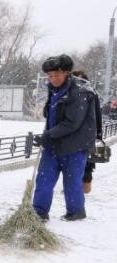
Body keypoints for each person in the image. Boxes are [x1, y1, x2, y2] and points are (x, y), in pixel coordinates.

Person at [32, 55, 98, 221]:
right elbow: (53, 114)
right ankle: (39, 212)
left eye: (56, 74)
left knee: (72, 182)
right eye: (49, 75)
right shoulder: (54, 89)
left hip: (74, 147)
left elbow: (72, 123)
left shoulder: (80, 91)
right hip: (54, 145)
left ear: (67, 72)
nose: (52, 79)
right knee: (43, 180)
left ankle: (76, 212)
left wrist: (48, 135)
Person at [71, 70, 103, 194]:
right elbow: (98, 115)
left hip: (83, 132)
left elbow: (96, 114)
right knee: (84, 160)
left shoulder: (89, 93)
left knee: (83, 160)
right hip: (85, 132)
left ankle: (83, 186)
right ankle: (83, 185)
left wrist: (98, 134)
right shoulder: (91, 92)